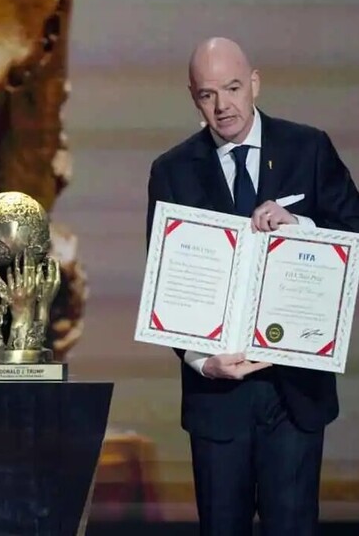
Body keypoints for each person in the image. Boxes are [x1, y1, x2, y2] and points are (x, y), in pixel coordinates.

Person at [147, 37, 359, 536]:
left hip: (295, 393)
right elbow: (163, 284)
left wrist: (300, 226)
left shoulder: (308, 148)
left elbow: (353, 232)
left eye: (234, 88)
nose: (223, 105)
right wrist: (202, 361)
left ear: (255, 83)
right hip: (217, 395)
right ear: (193, 98)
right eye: (207, 94)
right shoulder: (172, 171)